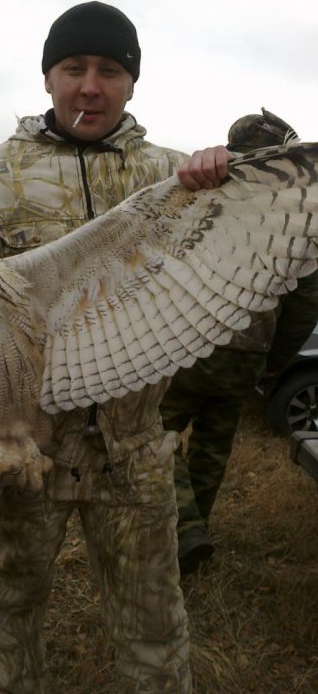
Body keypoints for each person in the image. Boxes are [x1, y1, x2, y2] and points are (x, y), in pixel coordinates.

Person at [0, 2, 230, 693]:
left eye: (109, 70)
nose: (90, 85)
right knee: (12, 608)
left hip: (133, 452)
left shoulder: (176, 177)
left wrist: (227, 184)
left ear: (131, 83)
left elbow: (239, 255)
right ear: (47, 77)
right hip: (28, 455)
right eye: (73, 68)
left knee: (152, 625)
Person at [159, 108, 318, 576]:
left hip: (195, 344)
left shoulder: (207, 194)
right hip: (250, 353)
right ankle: (195, 535)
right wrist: (274, 362)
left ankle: (184, 529)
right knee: (213, 445)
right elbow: (305, 302)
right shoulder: (298, 210)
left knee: (154, 432)